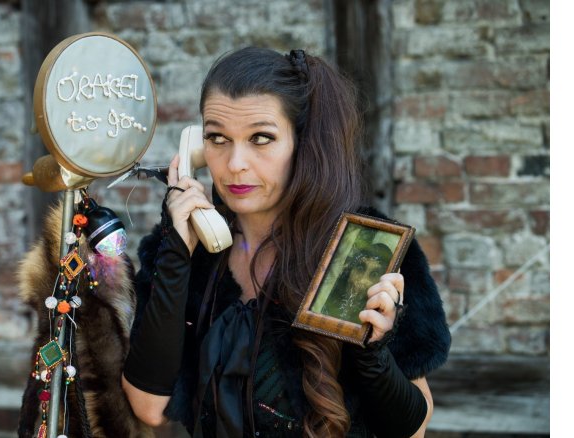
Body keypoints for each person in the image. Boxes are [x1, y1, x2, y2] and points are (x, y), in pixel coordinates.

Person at [122, 47, 451, 437]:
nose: (234, 163)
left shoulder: (362, 246)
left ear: (301, 143)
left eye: (261, 138)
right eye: (217, 138)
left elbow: (412, 429)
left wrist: (373, 354)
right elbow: (149, 406)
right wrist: (176, 254)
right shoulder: (186, 254)